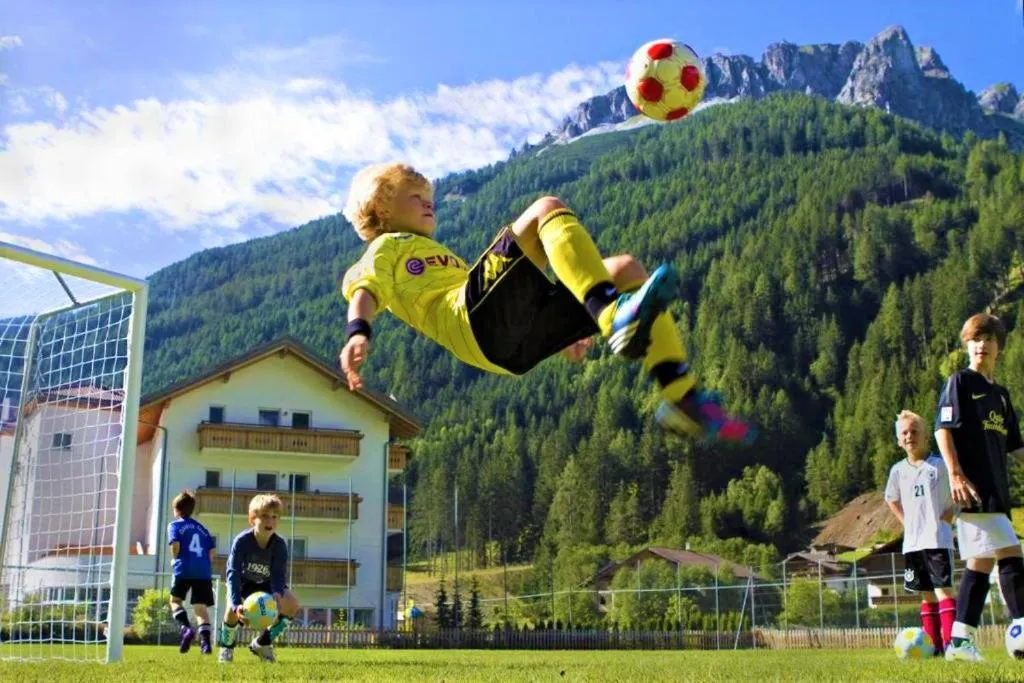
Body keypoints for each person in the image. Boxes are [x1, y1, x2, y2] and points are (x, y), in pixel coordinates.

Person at [337, 162, 754, 443]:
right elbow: (365, 291)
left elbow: (507, 303)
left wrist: (558, 336)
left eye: (429, 196)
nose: (428, 202)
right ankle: (612, 317)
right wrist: (358, 332)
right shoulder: (386, 248)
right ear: (381, 209)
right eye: (414, 196)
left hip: (506, 348)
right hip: (470, 317)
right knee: (546, 209)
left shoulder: (440, 256)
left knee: (627, 269)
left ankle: (683, 398)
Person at [935, 312, 1024, 662]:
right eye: (974, 340)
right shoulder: (961, 382)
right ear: (967, 346)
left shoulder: (1000, 395)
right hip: (973, 489)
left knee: (980, 564)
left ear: (998, 347)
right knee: (1012, 554)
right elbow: (943, 429)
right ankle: (1021, 626)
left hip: (997, 493)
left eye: (987, 339)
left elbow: (1015, 446)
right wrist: (955, 474)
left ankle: (960, 643)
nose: (981, 345)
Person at [884, 410, 956, 655]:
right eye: (904, 433)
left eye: (915, 432)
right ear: (898, 440)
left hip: (937, 538)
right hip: (913, 544)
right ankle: (933, 647)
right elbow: (891, 499)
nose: (909, 436)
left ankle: (951, 645)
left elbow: (958, 488)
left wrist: (951, 512)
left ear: (926, 436)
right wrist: (906, 521)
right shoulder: (897, 471)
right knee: (925, 595)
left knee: (943, 590)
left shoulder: (939, 465)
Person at [218, 494, 301, 664]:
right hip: (244, 584)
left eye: (274, 517)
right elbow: (232, 572)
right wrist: (235, 604)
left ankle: (262, 643)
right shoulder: (241, 541)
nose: (269, 521)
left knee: (292, 604)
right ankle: (226, 646)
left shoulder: (280, 545)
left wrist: (277, 594)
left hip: (267, 585)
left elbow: (278, 575)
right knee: (230, 611)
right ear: (252, 519)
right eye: (264, 516)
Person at [167, 490, 216, 654]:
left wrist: (175, 559)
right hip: (203, 571)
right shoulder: (202, 528)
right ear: (192, 509)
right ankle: (206, 645)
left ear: (176, 509)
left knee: (175, 601)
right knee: (201, 609)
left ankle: (186, 628)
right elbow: (211, 552)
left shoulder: (175, 525)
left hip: (184, 568)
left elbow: (175, 545)